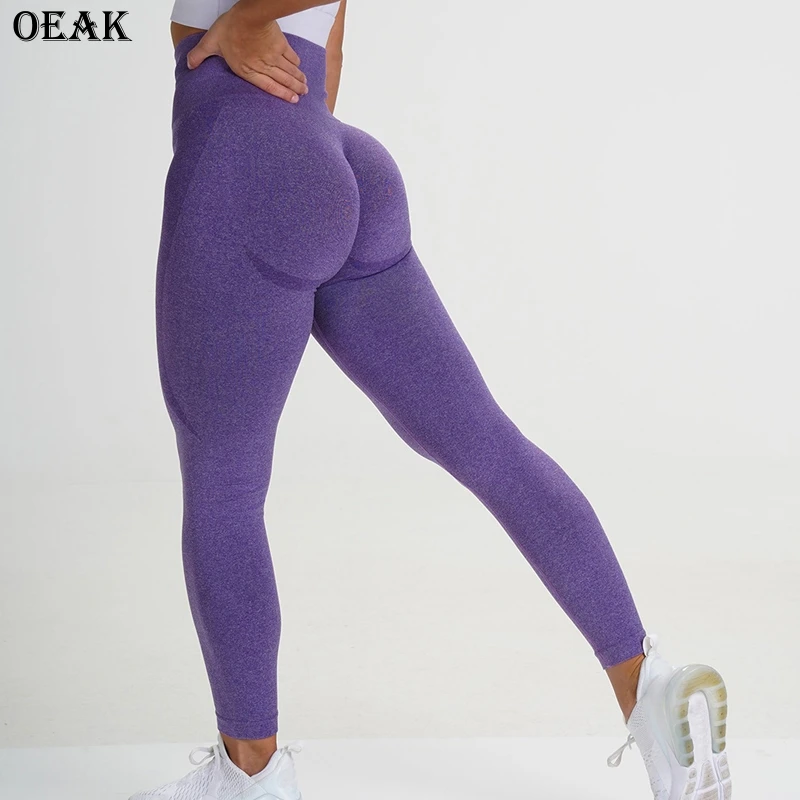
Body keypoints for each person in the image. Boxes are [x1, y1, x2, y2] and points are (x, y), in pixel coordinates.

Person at [131, 2, 732, 799]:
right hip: (342, 161)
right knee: (486, 440)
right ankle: (650, 687)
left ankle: (251, 778)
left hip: (246, 163)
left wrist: (246, 18)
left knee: (224, 487)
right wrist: (305, 161)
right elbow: (329, 50)